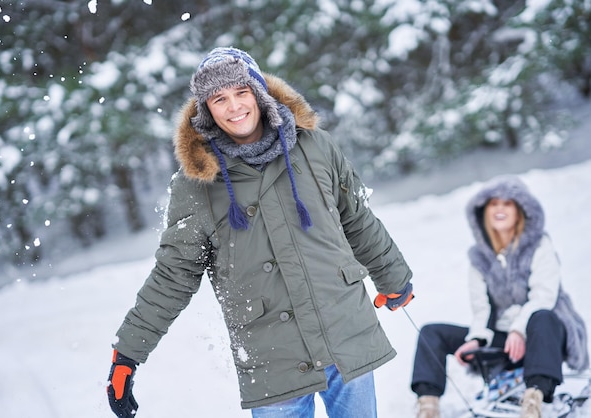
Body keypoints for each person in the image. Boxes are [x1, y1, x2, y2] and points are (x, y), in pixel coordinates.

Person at [106, 46, 415, 418]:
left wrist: (394, 277)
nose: (234, 107)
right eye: (219, 99)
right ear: (207, 110)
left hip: (342, 330)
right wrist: (128, 353)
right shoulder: (197, 184)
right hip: (272, 356)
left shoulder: (314, 146)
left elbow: (356, 218)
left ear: (259, 92)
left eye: (241, 92)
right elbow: (175, 273)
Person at [410, 175, 589, 418]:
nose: (500, 209)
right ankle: (427, 407)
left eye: (507, 204)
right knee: (432, 332)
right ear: (484, 212)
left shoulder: (539, 245)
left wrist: (519, 330)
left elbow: (543, 295)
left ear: (520, 210)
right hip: (505, 339)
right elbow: (482, 309)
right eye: (494, 204)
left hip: (544, 334)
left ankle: (533, 401)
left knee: (542, 316)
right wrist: (477, 339)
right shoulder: (479, 258)